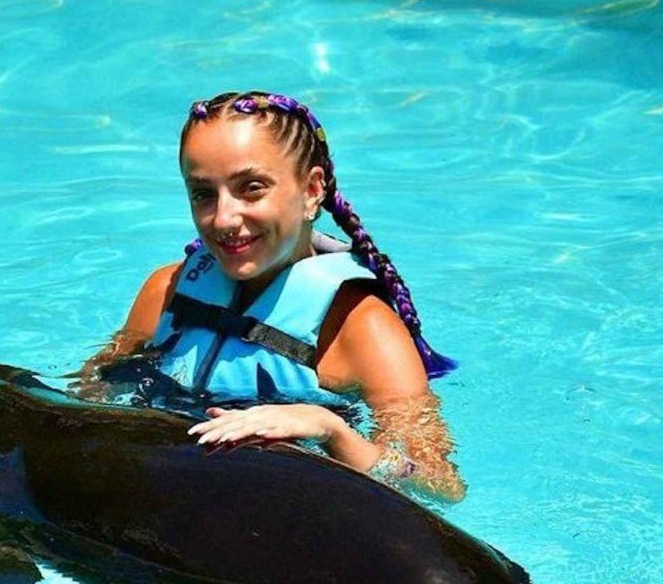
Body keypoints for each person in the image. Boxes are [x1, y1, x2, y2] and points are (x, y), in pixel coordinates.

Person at [81, 91, 465, 502]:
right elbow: (88, 395)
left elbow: (438, 485)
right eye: (203, 194)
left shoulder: (362, 327)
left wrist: (331, 430)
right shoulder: (166, 292)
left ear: (312, 190)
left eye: (251, 189)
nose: (224, 219)